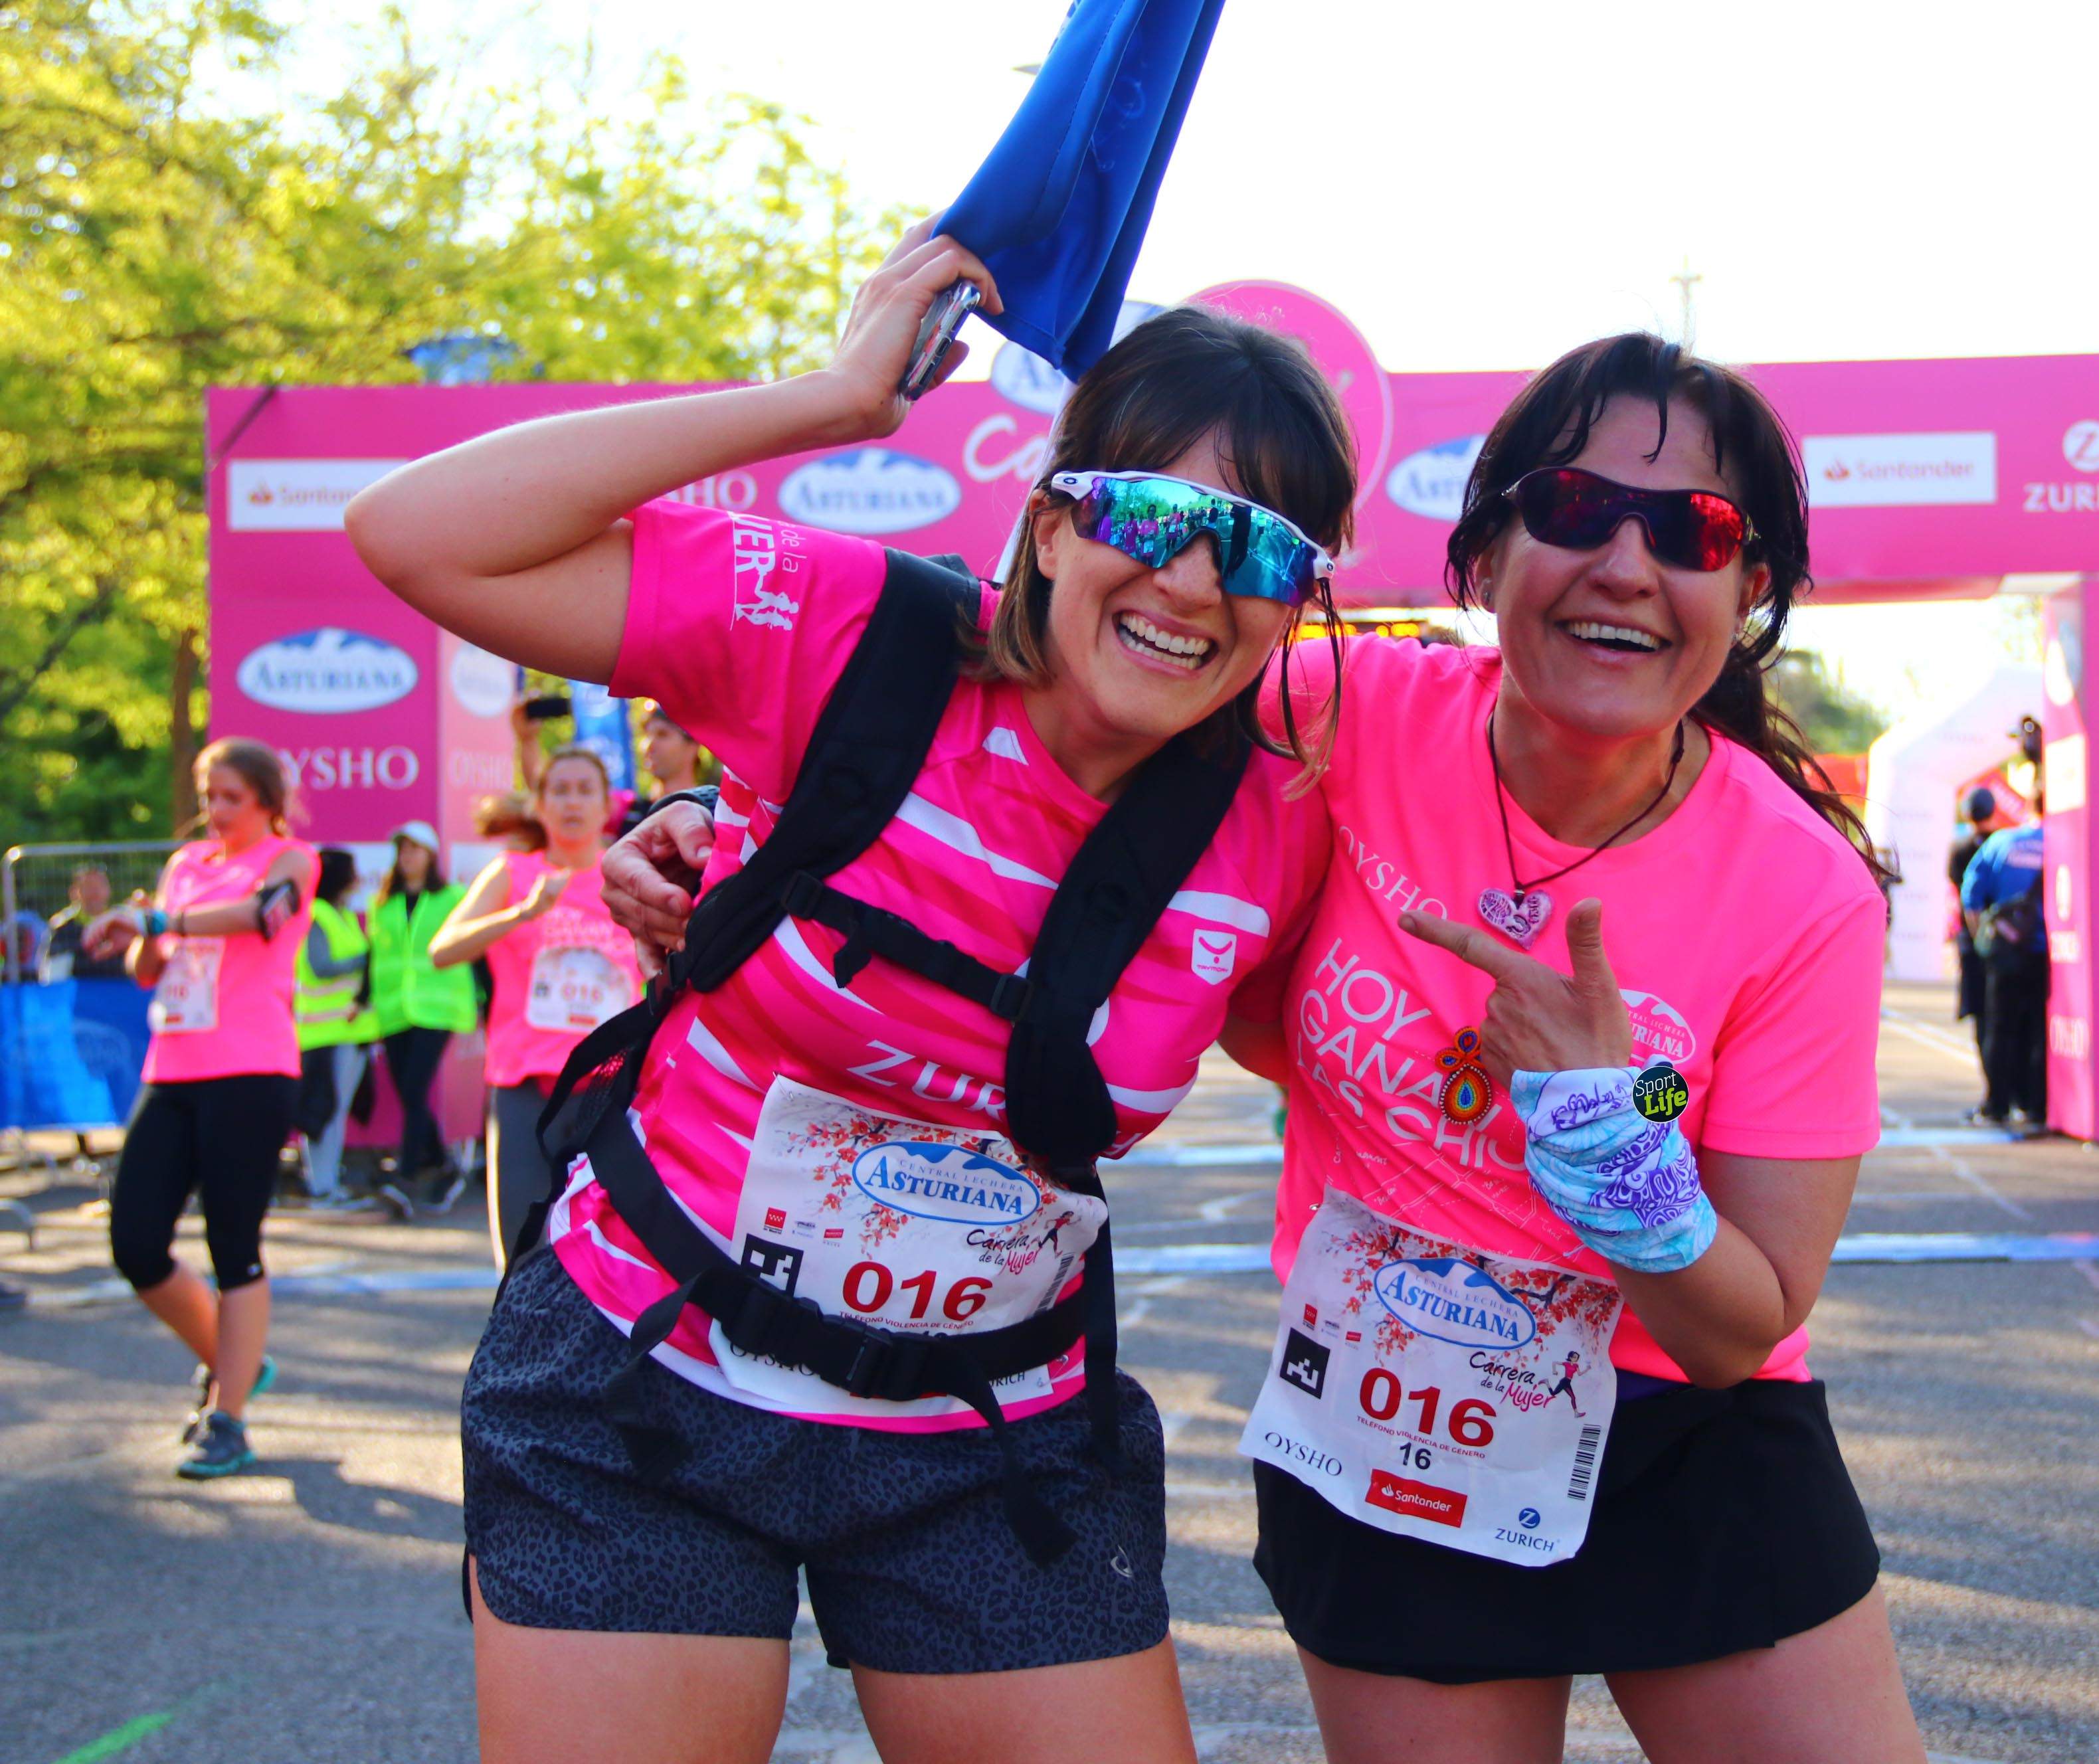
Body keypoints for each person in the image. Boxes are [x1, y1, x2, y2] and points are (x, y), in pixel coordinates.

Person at [607, 333, 1928, 1763]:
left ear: (1751, 595)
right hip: (1390, 1430)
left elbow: (1743, 1326)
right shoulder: (1324, 710)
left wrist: (1608, 1136)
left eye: (1692, 531)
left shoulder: (1801, 889)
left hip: (1692, 1440)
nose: (1625, 562)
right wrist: (741, 849)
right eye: (1573, 508)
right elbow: (1036, 728)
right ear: (1484, 557)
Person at [344, 232, 1355, 1764]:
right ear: (1054, 519)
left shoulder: (1297, 798)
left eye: (1266, 552)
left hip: (990, 1429)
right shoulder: (849, 634)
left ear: (1304, 603)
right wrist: (823, 400)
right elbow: (419, 533)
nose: (1196, 580)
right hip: (649, 1376)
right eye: (1152, 514)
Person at [79, 738, 318, 1478]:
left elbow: (263, 916)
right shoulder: (185, 868)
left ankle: (230, 1415)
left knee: (233, 1243)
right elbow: (151, 966)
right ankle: (235, 1361)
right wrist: (138, 935)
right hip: (172, 1066)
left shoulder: (291, 859)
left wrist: (160, 924)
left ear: (268, 803)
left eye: (231, 799)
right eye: (208, 796)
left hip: (250, 1070)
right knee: (136, 1243)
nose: (215, 812)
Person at [428, 747, 638, 1269]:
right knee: (522, 1250)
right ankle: (516, 1348)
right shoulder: (513, 874)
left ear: (606, 805)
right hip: (526, 1090)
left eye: (584, 790)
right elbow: (443, 949)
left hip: (611, 1087)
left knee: (614, 1254)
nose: (571, 802)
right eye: (559, 791)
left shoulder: (630, 874)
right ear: (540, 807)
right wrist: (525, 912)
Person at [361, 820, 476, 1213]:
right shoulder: (384, 904)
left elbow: (474, 951)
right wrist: (363, 1001)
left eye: (415, 850)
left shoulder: (453, 898)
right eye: (403, 850)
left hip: (438, 1007)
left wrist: (485, 1001)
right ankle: (443, 1165)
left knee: (414, 1089)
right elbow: (373, 957)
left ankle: (405, 1179)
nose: (408, 857)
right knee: (408, 1093)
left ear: (430, 856)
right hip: (395, 1009)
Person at [292, 847, 379, 1208]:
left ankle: (326, 1183)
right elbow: (321, 966)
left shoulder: (341, 914)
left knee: (335, 1112)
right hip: (324, 1033)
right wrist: (370, 957)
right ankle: (321, 1186)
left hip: (349, 1030)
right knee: (324, 1113)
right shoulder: (317, 915)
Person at [1961, 770, 2047, 1130]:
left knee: (2000, 1028)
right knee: (2041, 1031)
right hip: (2052, 954)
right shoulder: (2070, 841)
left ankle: (1997, 1105)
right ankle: (2037, 1105)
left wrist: (1986, 945)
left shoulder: (2001, 843)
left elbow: (1972, 898)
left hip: (2006, 954)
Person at [1948, 784, 1998, 1108]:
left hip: (1974, 943)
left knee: (1984, 1021)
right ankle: (2015, 1096)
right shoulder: (1999, 845)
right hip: (2006, 944)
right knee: (2008, 1022)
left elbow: (1961, 891)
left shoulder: (1959, 849)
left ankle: (1993, 1096)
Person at [46, 866, 128, 981]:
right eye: (88, 886)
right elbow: (54, 978)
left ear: (109, 890)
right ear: (74, 892)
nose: (95, 892)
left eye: (100, 885)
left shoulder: (122, 923)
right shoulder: (63, 928)